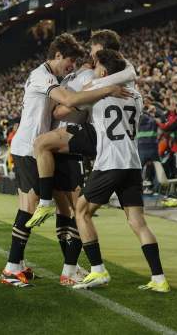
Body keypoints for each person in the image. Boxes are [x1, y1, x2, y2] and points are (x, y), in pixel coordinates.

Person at [2, 32, 131, 286]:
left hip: (48, 147)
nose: (72, 66)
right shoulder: (44, 76)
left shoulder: (53, 75)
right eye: (69, 61)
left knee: (68, 208)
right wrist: (105, 90)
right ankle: (11, 267)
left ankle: (66, 269)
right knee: (29, 207)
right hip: (31, 147)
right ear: (58, 55)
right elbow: (68, 101)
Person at [73, 49, 170, 293]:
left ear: (104, 71)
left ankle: (97, 270)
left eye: (96, 68)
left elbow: (74, 100)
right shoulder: (136, 95)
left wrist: (98, 84)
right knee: (137, 221)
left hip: (110, 161)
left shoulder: (96, 93)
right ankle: (159, 278)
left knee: (81, 211)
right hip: (132, 163)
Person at [28, 29, 136, 228]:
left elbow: (61, 111)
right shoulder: (123, 75)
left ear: (103, 51)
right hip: (121, 146)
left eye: (94, 50)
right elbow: (131, 73)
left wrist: (90, 88)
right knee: (81, 211)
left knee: (41, 144)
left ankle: (44, 203)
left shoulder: (95, 77)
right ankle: (74, 260)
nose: (91, 54)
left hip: (95, 133)